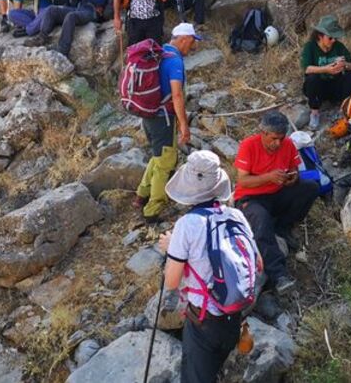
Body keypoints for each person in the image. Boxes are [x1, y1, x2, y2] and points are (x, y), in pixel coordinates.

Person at [158, 150, 262, 383]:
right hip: (234, 317)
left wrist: (171, 248)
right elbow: (258, 263)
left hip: (203, 321)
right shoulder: (235, 215)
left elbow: (172, 282)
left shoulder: (187, 225)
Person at [233, 111, 319, 293]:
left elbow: (294, 169)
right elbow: (243, 181)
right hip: (251, 198)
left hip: (276, 192)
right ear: (263, 133)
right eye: (273, 138)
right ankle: (279, 274)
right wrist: (268, 178)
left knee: (310, 187)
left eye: (280, 138)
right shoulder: (249, 145)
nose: (277, 143)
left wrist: (292, 178)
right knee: (261, 220)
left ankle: (283, 227)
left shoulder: (287, 144)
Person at [133, 23, 200, 221]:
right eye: (193, 42)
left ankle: (141, 195)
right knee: (166, 163)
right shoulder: (174, 62)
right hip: (163, 118)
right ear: (184, 39)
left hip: (148, 114)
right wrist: (184, 125)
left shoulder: (159, 53)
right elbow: (177, 95)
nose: (193, 47)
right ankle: (152, 210)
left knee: (157, 156)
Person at [301, 15, 351, 130]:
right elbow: (306, 68)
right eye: (330, 38)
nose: (333, 41)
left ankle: (345, 108)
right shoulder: (310, 47)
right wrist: (326, 69)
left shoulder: (338, 47)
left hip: (335, 84)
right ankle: (315, 113)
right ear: (320, 36)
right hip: (319, 87)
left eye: (335, 38)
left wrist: (344, 65)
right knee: (312, 78)